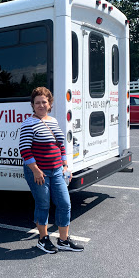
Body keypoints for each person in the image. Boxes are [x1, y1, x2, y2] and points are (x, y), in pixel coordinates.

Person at [19, 87, 84, 254]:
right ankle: (43, 239)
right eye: (37, 102)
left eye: (44, 102)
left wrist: (65, 165)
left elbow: (60, 145)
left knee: (64, 203)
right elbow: (25, 149)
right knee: (43, 204)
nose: (41, 105)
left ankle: (63, 240)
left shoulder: (53, 121)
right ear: (32, 105)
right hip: (39, 172)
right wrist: (35, 170)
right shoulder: (28, 123)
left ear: (50, 104)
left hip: (57, 170)